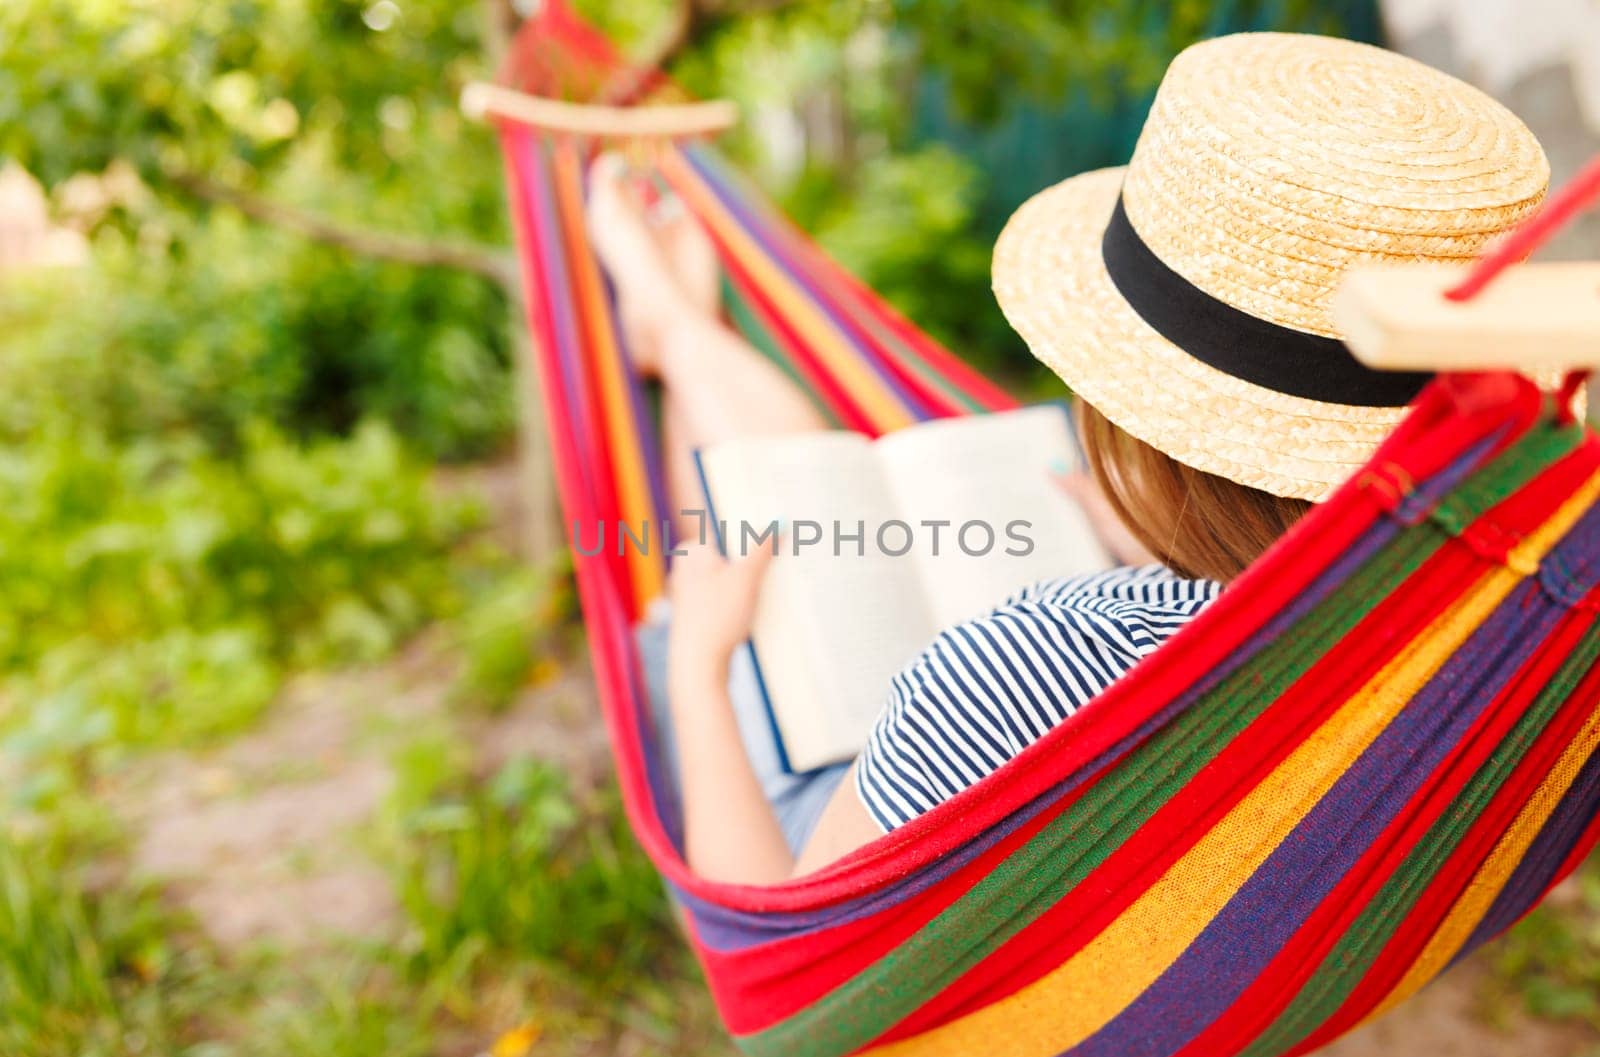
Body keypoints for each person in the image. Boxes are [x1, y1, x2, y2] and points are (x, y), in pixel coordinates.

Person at [586, 33, 1554, 885]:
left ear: (1136, 419)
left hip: (860, 855)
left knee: (744, 547)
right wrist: (1161, 543)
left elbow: (781, 935)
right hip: (1189, 910)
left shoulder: (1030, 657)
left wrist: (699, 672)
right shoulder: (1497, 624)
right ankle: (672, 326)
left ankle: (667, 323)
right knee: (772, 473)